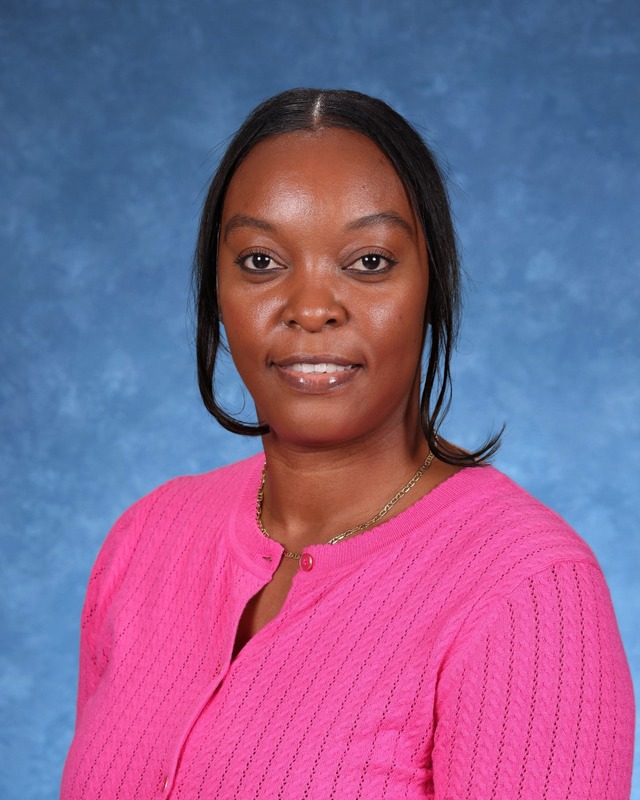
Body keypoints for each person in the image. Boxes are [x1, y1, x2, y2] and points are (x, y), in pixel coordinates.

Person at [61, 88, 634, 799]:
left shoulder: (528, 594)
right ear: (216, 292)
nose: (310, 309)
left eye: (368, 262)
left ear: (433, 288)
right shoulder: (147, 539)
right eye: (261, 261)